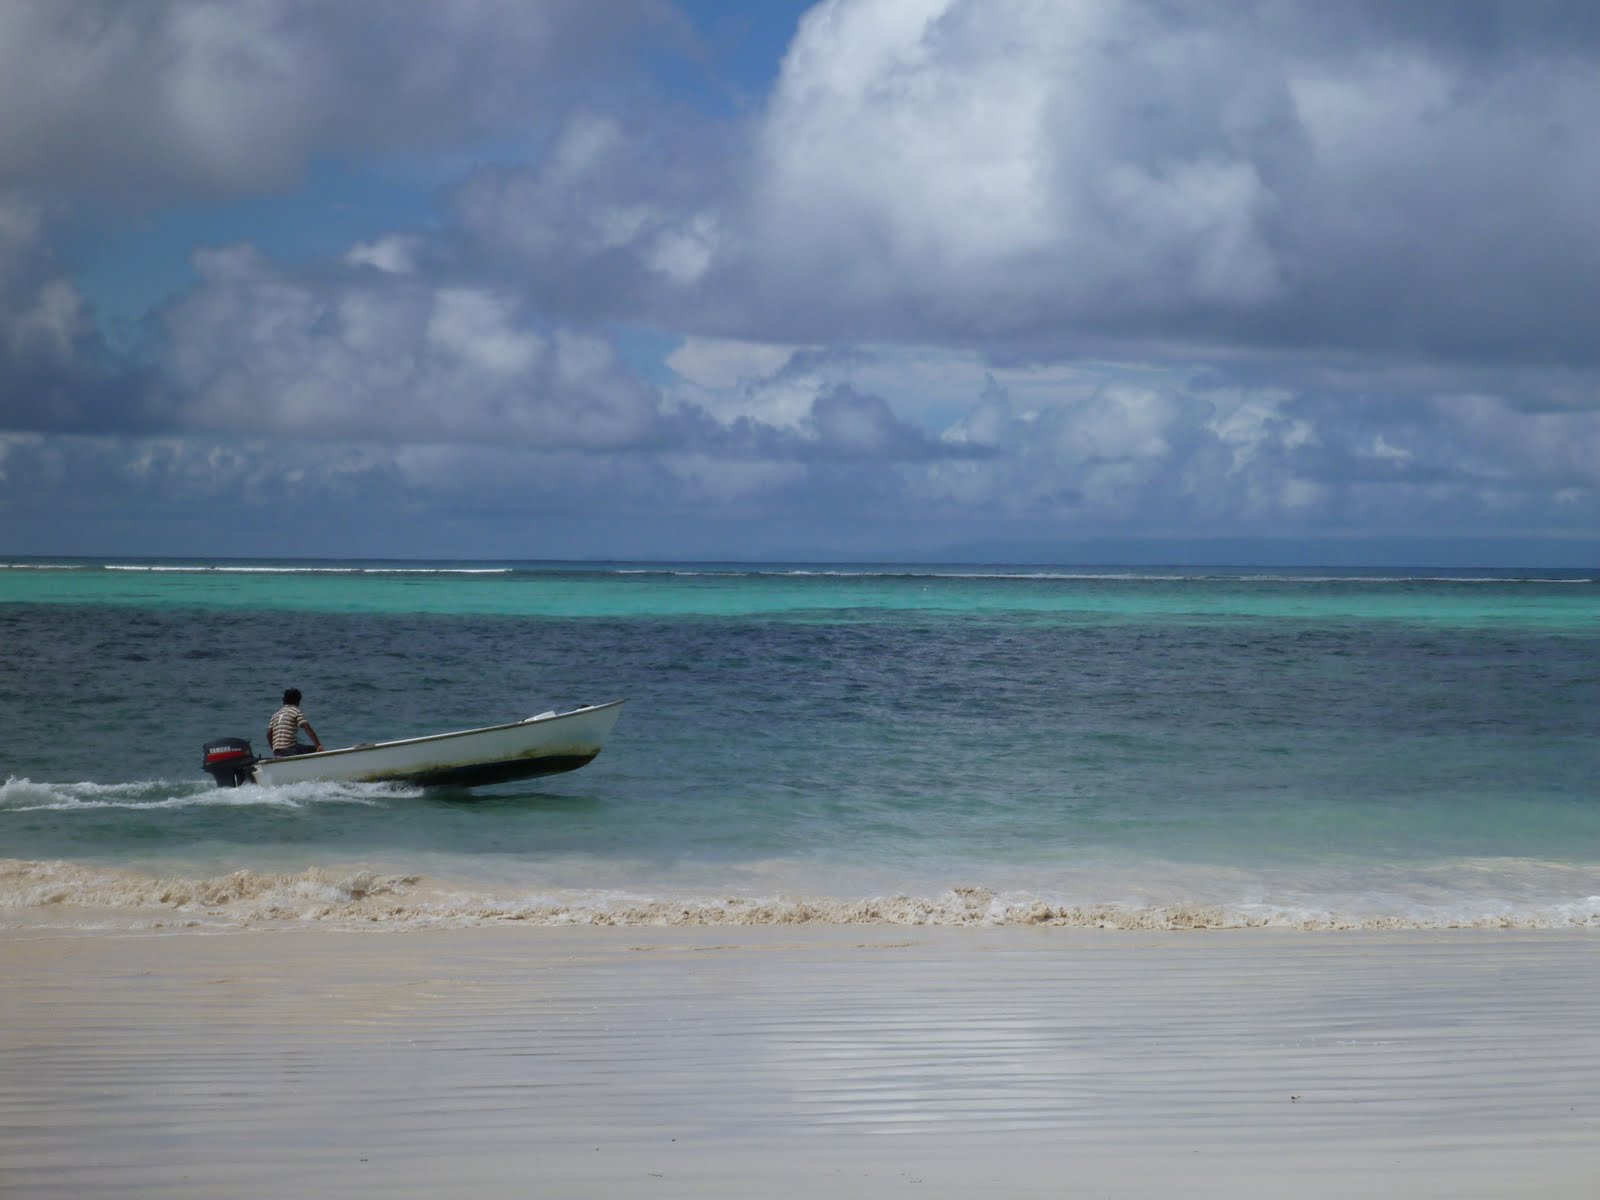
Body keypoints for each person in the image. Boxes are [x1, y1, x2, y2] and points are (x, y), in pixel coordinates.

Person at [267, 688, 323, 756]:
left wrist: (274, 749)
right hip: (290, 749)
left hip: (277, 751)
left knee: (299, 747)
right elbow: (307, 728)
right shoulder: (296, 711)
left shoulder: (275, 715)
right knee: (314, 749)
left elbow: (269, 734)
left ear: (283, 701)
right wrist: (318, 745)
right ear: (298, 702)